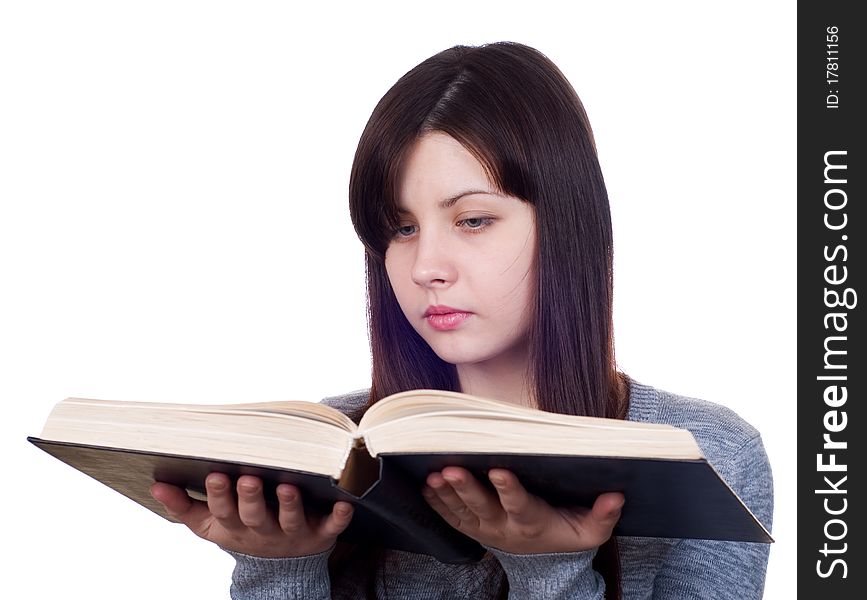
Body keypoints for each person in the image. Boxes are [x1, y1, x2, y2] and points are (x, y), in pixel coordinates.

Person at [151, 41, 773, 599]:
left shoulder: (711, 452)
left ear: (566, 228)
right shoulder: (334, 448)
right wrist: (280, 569)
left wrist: (549, 571)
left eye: (473, 220)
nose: (425, 267)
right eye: (401, 228)